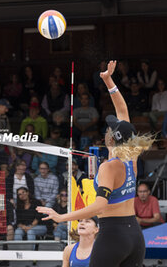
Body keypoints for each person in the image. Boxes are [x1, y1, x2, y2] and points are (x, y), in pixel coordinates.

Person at [37, 60, 154, 267]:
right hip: (135, 235)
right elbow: (123, 111)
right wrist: (108, 81)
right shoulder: (131, 156)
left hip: (114, 235)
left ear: (110, 138)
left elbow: (100, 205)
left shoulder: (109, 166)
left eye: (109, 129)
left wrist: (62, 217)